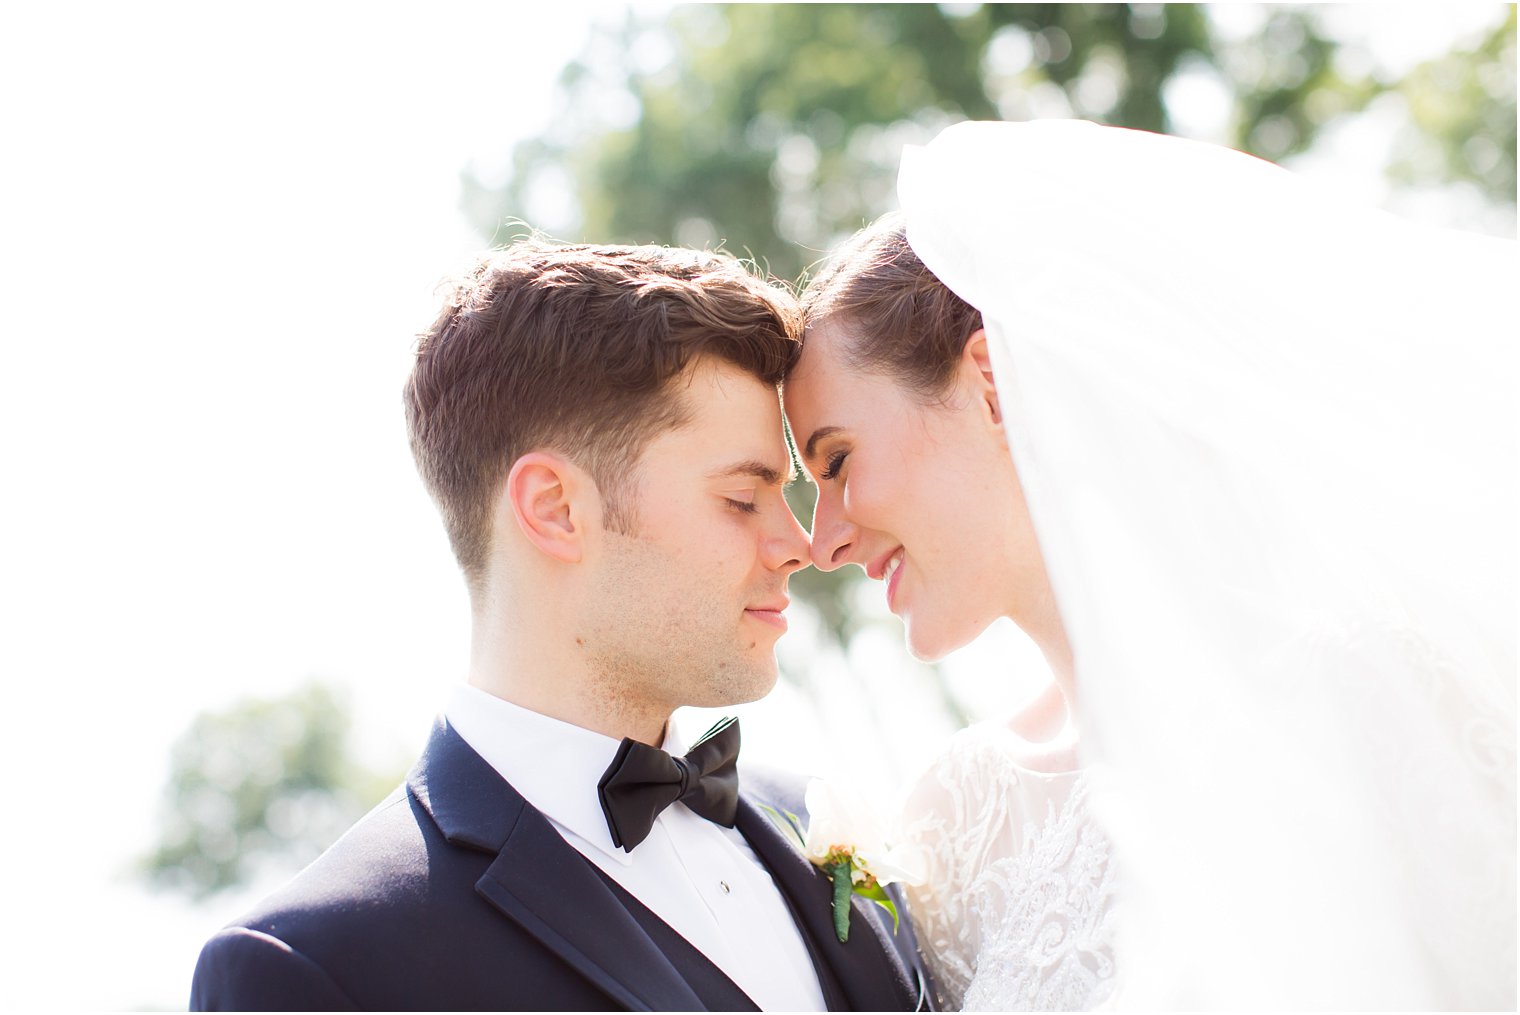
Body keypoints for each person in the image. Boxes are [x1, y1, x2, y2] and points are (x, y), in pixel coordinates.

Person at [784, 120, 1516, 1010]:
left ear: (991, 385)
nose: (821, 541)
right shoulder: (956, 816)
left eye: (838, 460)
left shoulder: (1374, 692)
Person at [190, 240, 931, 1011]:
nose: (800, 545)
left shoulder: (819, 820)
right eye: (744, 498)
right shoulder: (322, 964)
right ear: (556, 508)